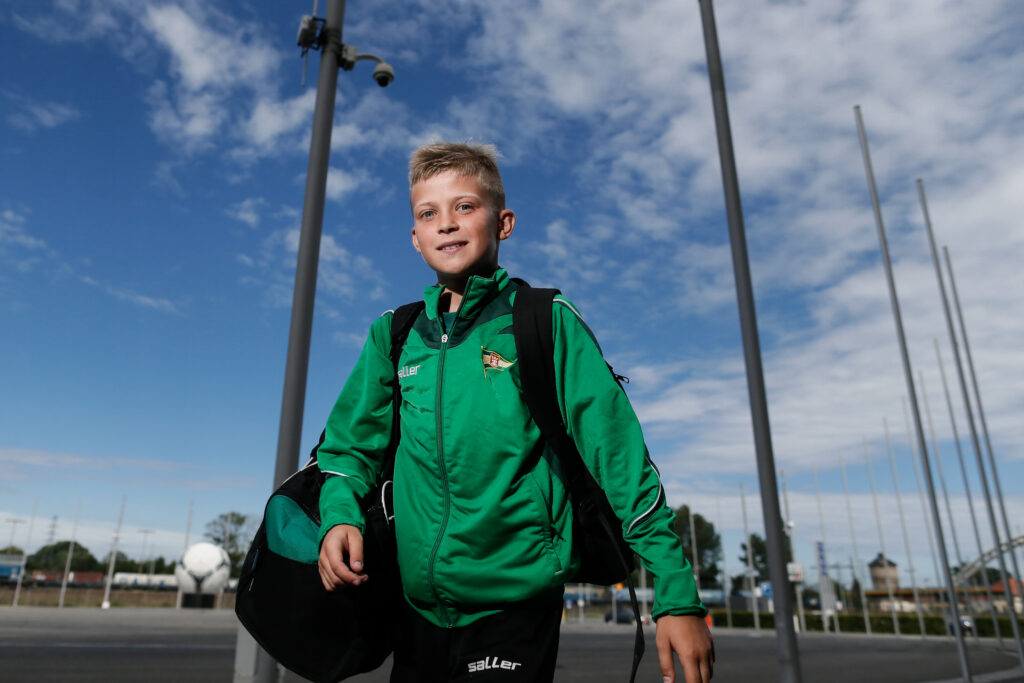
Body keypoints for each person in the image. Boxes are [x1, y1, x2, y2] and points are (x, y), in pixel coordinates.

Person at [317, 142, 714, 683]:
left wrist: (676, 591)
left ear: (503, 223)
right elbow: (348, 448)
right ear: (414, 237)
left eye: (464, 206)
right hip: (417, 614)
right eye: (428, 214)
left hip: (516, 609)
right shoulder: (394, 334)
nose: (446, 223)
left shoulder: (545, 321)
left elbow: (621, 459)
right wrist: (340, 515)